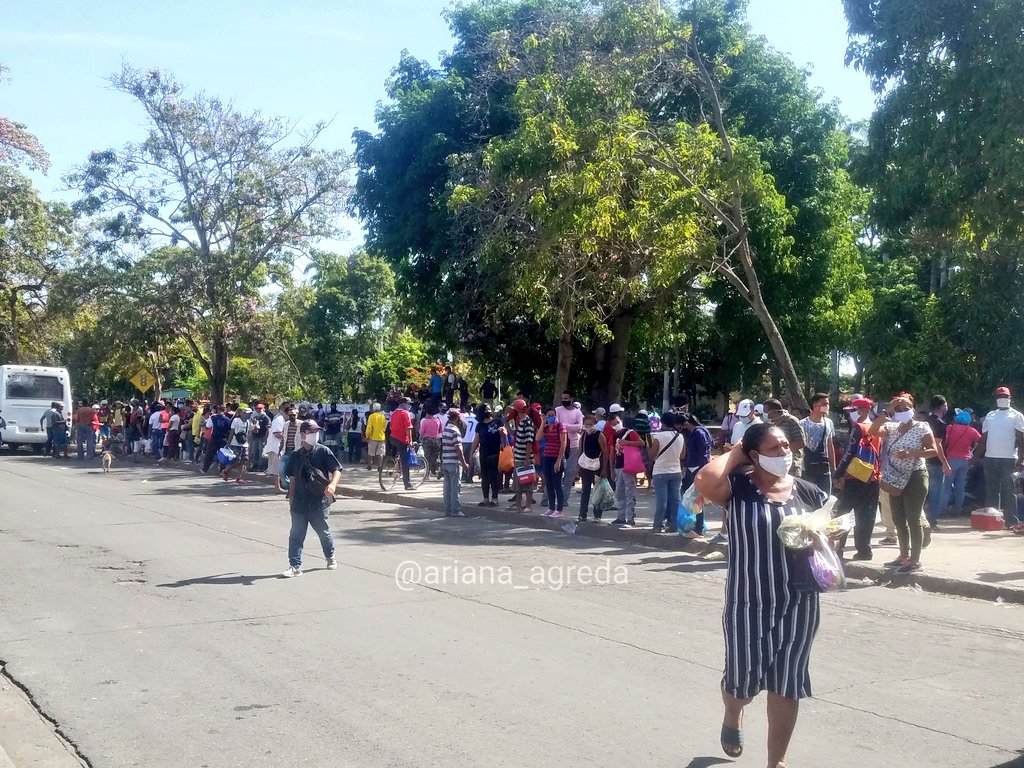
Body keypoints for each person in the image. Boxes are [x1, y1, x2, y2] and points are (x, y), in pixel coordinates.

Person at [695, 422, 828, 768]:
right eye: (775, 448)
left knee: (787, 683)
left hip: (799, 603)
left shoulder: (806, 491)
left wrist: (824, 536)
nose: (785, 453)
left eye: (786, 446)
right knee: (741, 684)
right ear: (755, 455)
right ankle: (733, 712)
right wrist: (736, 451)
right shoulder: (737, 488)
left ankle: (776, 761)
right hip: (748, 603)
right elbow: (705, 481)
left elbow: (832, 528)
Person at [868, 393, 940, 574]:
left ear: (913, 409)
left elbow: (933, 451)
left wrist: (911, 453)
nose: (902, 411)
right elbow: (873, 431)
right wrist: (887, 409)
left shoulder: (922, 427)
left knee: (913, 520)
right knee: (898, 519)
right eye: (898, 409)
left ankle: (915, 560)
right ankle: (903, 556)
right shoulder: (892, 427)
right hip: (895, 478)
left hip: (915, 477)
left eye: (905, 408)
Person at [282, 420, 342, 577]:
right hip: (300, 502)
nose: (315, 435)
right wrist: (291, 497)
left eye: (317, 432)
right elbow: (293, 479)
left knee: (323, 531)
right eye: (311, 432)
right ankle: (294, 566)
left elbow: (336, 470)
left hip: (319, 501)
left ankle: (330, 557)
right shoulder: (295, 456)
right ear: (303, 435)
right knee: (296, 534)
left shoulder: (324, 451)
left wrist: (333, 485)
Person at [834, 397, 881, 560]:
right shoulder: (877, 429)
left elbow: (848, 453)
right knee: (866, 515)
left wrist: (838, 473)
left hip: (854, 477)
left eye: (852, 411)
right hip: (872, 477)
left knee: (843, 513)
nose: (849, 415)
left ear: (862, 411)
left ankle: (837, 548)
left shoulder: (858, 428)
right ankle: (864, 550)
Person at [975, 386, 1024, 528]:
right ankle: (992, 521)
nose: (1002, 399)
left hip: (1009, 458)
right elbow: (983, 439)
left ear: (1009, 399)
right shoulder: (990, 415)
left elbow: (1021, 439)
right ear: (996, 399)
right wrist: (975, 457)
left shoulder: (1017, 416)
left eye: (1005, 396)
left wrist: (1021, 459)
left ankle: (1011, 522)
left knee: (1009, 491)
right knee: (991, 491)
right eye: (1000, 396)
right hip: (990, 458)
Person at [939, 410, 982, 518]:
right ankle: (957, 510)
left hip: (951, 460)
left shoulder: (950, 428)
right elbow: (981, 441)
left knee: (946, 486)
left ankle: (942, 510)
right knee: (960, 487)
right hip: (965, 461)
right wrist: (973, 452)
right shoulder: (972, 430)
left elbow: (942, 441)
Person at [650, 412, 685, 533]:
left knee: (662, 501)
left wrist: (649, 446)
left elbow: (652, 455)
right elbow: (683, 455)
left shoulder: (658, 437)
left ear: (662, 422)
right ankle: (674, 525)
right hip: (676, 471)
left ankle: (658, 525)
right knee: (675, 500)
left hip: (660, 471)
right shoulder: (680, 436)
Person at [610, 413, 644, 527]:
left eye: (617, 422)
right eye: (613, 424)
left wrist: (627, 443)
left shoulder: (630, 433)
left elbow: (641, 443)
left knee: (629, 492)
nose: (616, 425)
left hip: (628, 465)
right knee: (619, 493)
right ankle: (621, 517)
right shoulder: (614, 436)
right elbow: (612, 453)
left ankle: (630, 518)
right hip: (618, 466)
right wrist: (611, 469)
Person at [924, 395, 953, 528]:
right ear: (941, 406)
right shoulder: (940, 424)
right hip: (935, 463)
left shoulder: (926, 421)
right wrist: (945, 463)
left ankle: (921, 520)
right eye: (946, 405)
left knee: (923, 493)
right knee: (935, 494)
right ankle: (932, 522)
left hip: (924, 460)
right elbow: (938, 445)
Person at [799, 393, 836, 495]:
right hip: (807, 468)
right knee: (808, 499)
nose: (827, 406)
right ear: (814, 405)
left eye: (828, 404)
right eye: (824, 403)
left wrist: (834, 469)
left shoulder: (828, 423)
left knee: (825, 498)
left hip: (824, 468)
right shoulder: (802, 424)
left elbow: (830, 446)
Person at [471, 403, 505, 507]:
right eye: (487, 409)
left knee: (494, 476)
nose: (489, 411)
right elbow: (476, 440)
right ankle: (485, 498)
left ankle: (495, 499)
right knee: (484, 476)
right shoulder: (480, 425)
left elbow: (505, 433)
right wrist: (470, 454)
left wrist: (502, 431)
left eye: (490, 409)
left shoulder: (498, 422)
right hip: (483, 453)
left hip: (495, 453)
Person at [577, 414, 608, 522]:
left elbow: (605, 452)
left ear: (595, 424)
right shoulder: (584, 436)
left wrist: (604, 469)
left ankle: (597, 515)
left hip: (597, 467)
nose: (589, 426)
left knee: (597, 491)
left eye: (591, 424)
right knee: (585, 490)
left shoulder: (600, 435)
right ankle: (582, 514)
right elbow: (580, 451)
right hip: (585, 466)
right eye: (587, 424)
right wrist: (578, 468)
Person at [538, 406, 568, 517]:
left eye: (553, 415)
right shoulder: (546, 428)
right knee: (549, 483)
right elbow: (538, 438)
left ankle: (559, 509)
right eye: (549, 415)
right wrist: (543, 423)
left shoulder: (560, 426)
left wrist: (559, 460)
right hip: (547, 457)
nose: (551, 417)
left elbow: (563, 443)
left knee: (557, 483)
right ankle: (551, 508)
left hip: (556, 457)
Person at [764, 399, 805, 478]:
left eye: (766, 412)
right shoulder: (770, 424)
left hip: (791, 466)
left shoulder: (792, 421)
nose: (765, 415)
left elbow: (801, 443)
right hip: (776, 466)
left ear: (774, 411)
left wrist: (781, 452)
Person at [555, 393, 584, 504]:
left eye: (566, 398)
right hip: (559, 444)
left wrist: (563, 426)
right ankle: (548, 497)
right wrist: (570, 427)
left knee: (570, 472)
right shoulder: (558, 410)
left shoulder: (578, 412)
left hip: (573, 445)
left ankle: (564, 499)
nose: (564, 400)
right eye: (562, 398)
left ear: (571, 399)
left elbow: (579, 427)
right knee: (556, 471)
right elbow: (557, 425)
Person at [440, 408, 469, 517]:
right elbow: (459, 449)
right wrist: (464, 463)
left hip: (446, 461)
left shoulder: (446, 429)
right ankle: (455, 510)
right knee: (455, 487)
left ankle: (447, 510)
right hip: (454, 462)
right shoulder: (456, 431)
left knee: (447, 488)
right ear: (457, 418)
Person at [510, 398, 536, 511]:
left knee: (527, 481)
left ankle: (528, 505)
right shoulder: (519, 421)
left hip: (524, 457)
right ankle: (518, 504)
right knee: (518, 483)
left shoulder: (528, 422)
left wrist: (527, 459)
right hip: (518, 456)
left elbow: (529, 441)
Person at [389, 397, 415, 490]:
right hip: (402, 439)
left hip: (393, 438)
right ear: (404, 404)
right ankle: (407, 484)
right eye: (408, 404)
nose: (409, 406)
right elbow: (408, 428)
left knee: (399, 453)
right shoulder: (405, 413)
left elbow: (391, 426)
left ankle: (396, 465)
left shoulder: (394, 413)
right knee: (405, 462)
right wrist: (410, 441)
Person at [222, 406, 250, 484]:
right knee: (236, 459)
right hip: (235, 443)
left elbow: (250, 433)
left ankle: (239, 477)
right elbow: (232, 432)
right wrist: (228, 443)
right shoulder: (236, 420)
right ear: (242, 413)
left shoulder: (249, 422)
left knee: (243, 461)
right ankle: (226, 471)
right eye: (247, 414)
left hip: (244, 443)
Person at [265, 402, 288, 493]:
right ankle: (277, 488)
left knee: (278, 468)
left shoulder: (282, 419)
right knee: (276, 468)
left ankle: (278, 487)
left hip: (277, 447)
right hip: (275, 447)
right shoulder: (279, 419)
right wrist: (288, 436)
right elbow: (277, 433)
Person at [418, 405, 444, 479]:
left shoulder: (425, 421)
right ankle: (434, 471)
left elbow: (421, 432)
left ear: (427, 414)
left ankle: (427, 474)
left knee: (427, 457)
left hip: (427, 440)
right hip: (436, 440)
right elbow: (440, 431)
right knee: (434, 457)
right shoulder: (438, 420)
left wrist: (421, 438)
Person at [364, 402, 387, 471]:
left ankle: (369, 465)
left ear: (373, 409)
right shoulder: (383, 416)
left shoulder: (371, 416)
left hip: (372, 437)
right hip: (381, 437)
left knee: (370, 452)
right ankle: (379, 466)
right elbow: (384, 426)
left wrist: (367, 435)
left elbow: (369, 427)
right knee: (381, 453)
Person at [460, 405, 478, 483]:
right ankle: (470, 476)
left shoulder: (463, 416)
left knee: (464, 459)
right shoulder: (476, 417)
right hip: (473, 440)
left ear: (464, 408)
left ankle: (465, 475)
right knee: (471, 459)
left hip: (464, 440)